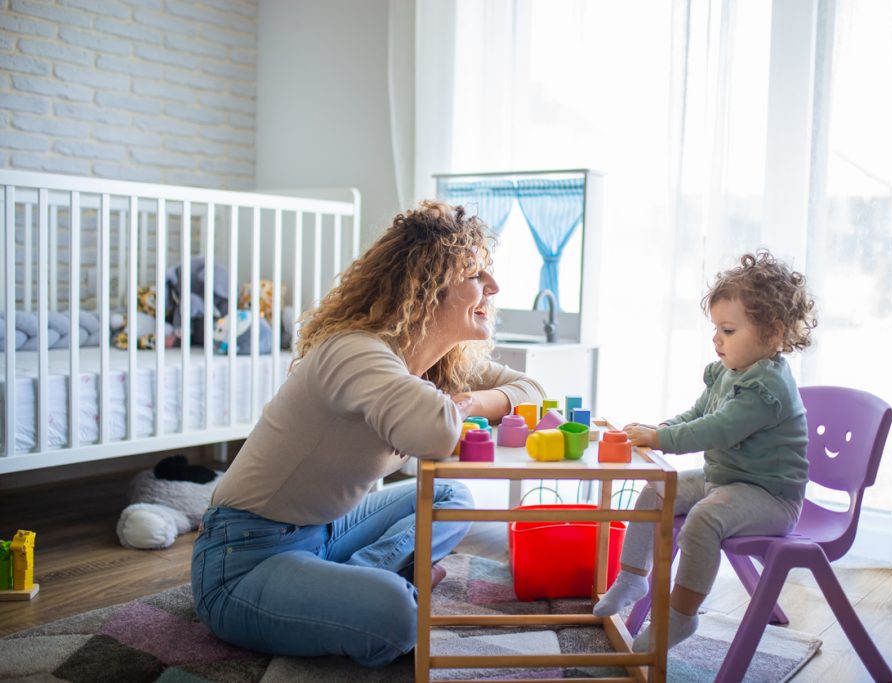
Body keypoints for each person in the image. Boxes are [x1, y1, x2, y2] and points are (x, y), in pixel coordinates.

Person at [191, 201, 545, 667]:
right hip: (243, 559)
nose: (494, 287)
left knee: (452, 496)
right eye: (477, 273)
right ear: (429, 286)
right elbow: (436, 433)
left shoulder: (437, 362)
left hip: (327, 530)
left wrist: (468, 402)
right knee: (396, 612)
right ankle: (377, 586)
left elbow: (533, 391)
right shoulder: (354, 351)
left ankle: (356, 577)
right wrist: (453, 408)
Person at [594, 250, 817, 652]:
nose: (717, 339)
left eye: (728, 330)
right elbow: (700, 412)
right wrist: (664, 428)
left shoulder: (766, 388)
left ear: (774, 333)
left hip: (770, 498)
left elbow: (717, 429)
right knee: (656, 489)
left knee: (703, 520)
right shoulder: (728, 371)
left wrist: (662, 440)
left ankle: (680, 618)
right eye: (716, 328)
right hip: (726, 481)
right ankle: (631, 577)